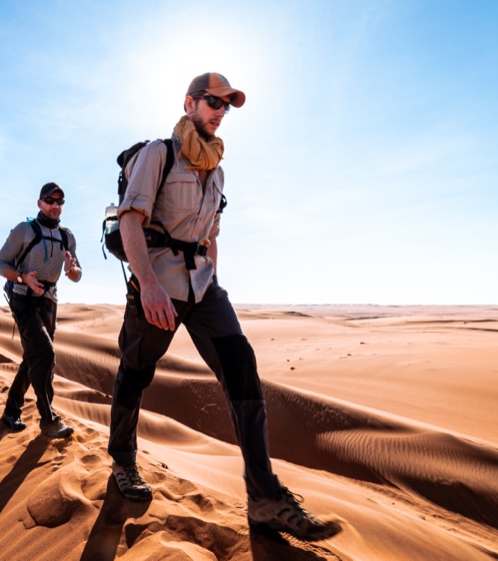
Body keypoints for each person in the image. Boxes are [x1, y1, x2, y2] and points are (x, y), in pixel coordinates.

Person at [106, 73, 341, 541]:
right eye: (213, 101)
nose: (220, 110)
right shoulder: (160, 153)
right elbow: (130, 221)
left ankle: (264, 497)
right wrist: (147, 285)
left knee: (242, 372)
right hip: (160, 286)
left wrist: (216, 280)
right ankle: (123, 462)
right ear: (190, 103)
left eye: (227, 105)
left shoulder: (217, 167)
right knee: (136, 372)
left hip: (203, 290)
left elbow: (211, 233)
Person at [0, 182, 82, 439]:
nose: (55, 206)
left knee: (35, 357)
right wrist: (22, 278)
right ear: (40, 203)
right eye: (50, 200)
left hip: (49, 301)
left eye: (60, 201)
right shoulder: (25, 230)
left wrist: (71, 270)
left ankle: (12, 410)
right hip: (23, 298)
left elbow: (77, 274)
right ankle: (48, 419)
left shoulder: (67, 236)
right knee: (45, 354)